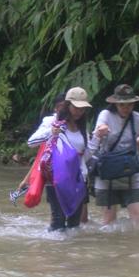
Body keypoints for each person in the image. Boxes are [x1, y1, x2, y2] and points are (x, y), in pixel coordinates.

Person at [27, 87, 92, 231]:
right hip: (56, 178)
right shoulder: (53, 122)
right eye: (76, 108)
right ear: (67, 105)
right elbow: (31, 142)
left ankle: (71, 246)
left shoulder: (82, 127)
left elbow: (85, 156)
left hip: (78, 179)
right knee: (58, 222)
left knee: (74, 224)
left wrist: (98, 138)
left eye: (82, 109)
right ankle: (53, 245)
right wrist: (51, 132)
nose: (79, 112)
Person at [88, 84, 139, 228]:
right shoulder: (105, 115)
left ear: (134, 103)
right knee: (109, 222)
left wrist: (131, 151)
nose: (126, 108)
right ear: (115, 103)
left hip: (131, 172)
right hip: (107, 174)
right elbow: (98, 133)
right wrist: (101, 131)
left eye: (129, 104)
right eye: (122, 104)